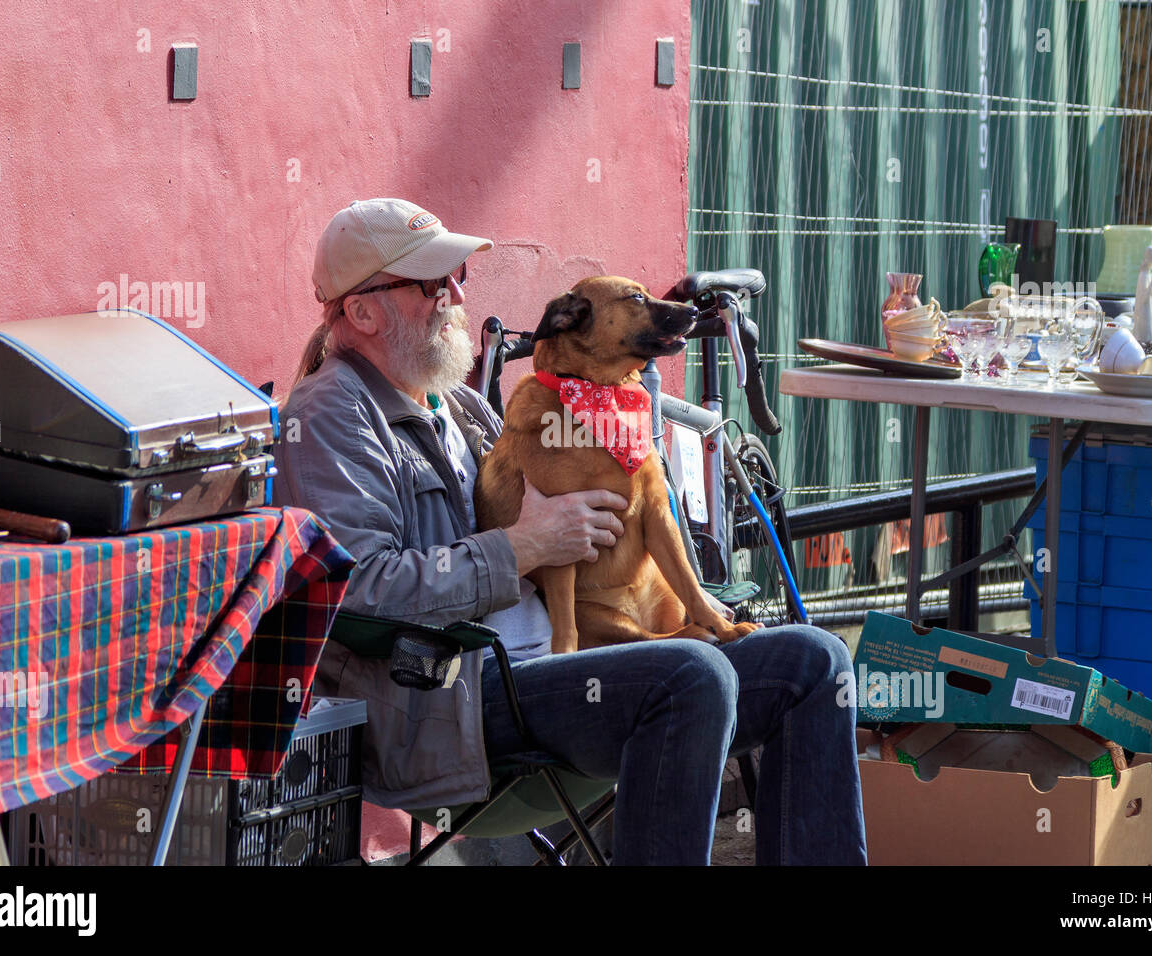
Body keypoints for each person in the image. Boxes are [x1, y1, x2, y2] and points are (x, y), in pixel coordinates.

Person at [274, 197, 867, 865]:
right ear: (361, 311)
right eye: (429, 283)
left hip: (556, 667)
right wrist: (524, 547)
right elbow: (355, 591)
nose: (454, 295)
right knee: (690, 677)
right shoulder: (330, 413)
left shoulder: (458, 402)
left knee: (814, 661)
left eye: (457, 276)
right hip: (448, 699)